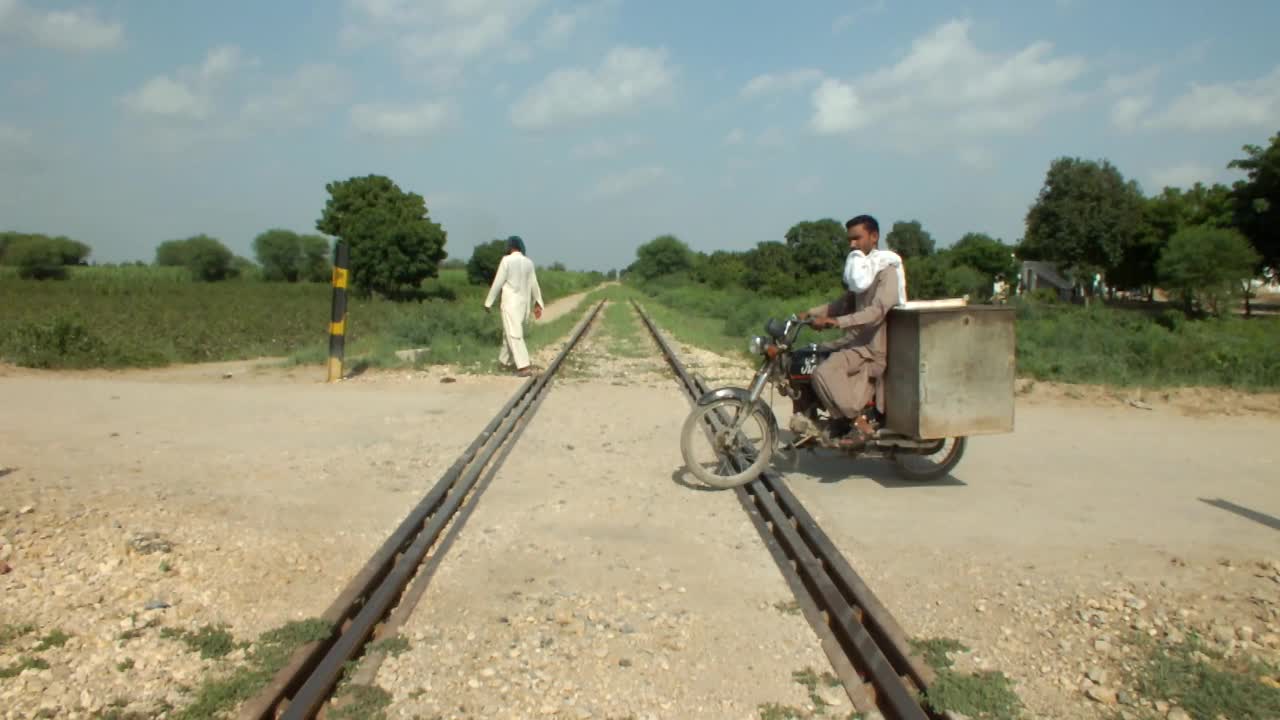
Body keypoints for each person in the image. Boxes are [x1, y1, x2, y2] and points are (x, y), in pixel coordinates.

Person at [795, 215, 906, 446]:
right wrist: (809, 313)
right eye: (850, 239)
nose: (852, 244)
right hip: (855, 343)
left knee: (824, 372)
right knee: (805, 356)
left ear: (874, 237)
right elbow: (841, 304)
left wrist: (837, 323)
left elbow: (876, 312)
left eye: (857, 238)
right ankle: (818, 417)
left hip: (871, 349)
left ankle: (858, 423)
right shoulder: (862, 273)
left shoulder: (886, 272)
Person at [484, 235, 544, 377]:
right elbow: (534, 284)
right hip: (523, 305)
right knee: (509, 333)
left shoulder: (506, 261)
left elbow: (497, 283)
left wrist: (488, 302)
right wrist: (538, 302)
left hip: (510, 303)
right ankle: (503, 362)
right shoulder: (529, 263)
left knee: (514, 334)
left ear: (510, 247)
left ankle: (523, 366)